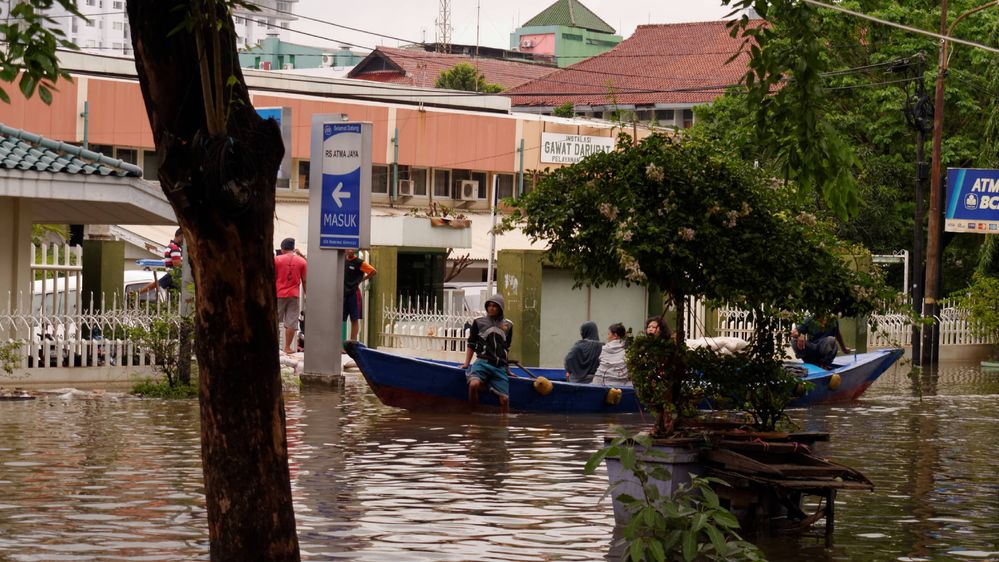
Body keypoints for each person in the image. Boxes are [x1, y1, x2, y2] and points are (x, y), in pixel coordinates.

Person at [460, 294, 513, 413]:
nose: (491, 308)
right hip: (482, 363)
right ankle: (473, 414)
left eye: (495, 306)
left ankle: (504, 424)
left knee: (504, 400)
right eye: (489, 305)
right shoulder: (479, 322)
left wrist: (507, 369)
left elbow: (506, 348)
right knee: (473, 385)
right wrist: (466, 364)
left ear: (500, 308)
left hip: (499, 367)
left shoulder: (508, 325)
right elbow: (471, 344)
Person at [274, 238, 307, 355]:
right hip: (294, 294)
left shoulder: (277, 260)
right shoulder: (302, 262)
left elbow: (272, 277)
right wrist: (307, 295)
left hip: (278, 294)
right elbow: (305, 280)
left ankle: (275, 346)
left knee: (275, 320)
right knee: (291, 321)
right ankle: (287, 347)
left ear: (282, 248)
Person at [138, 227, 183, 297]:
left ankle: (136, 293)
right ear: (181, 236)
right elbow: (177, 265)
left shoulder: (170, 246)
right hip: (174, 276)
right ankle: (137, 293)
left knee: (156, 284)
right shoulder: (175, 248)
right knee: (157, 284)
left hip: (171, 275)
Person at [343, 249, 376, 342]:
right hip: (343, 294)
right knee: (340, 319)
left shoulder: (359, 262)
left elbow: (373, 271)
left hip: (354, 293)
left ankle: (352, 343)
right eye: (347, 249)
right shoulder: (343, 261)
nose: (349, 250)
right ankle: (339, 345)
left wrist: (362, 279)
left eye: (351, 249)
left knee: (354, 319)